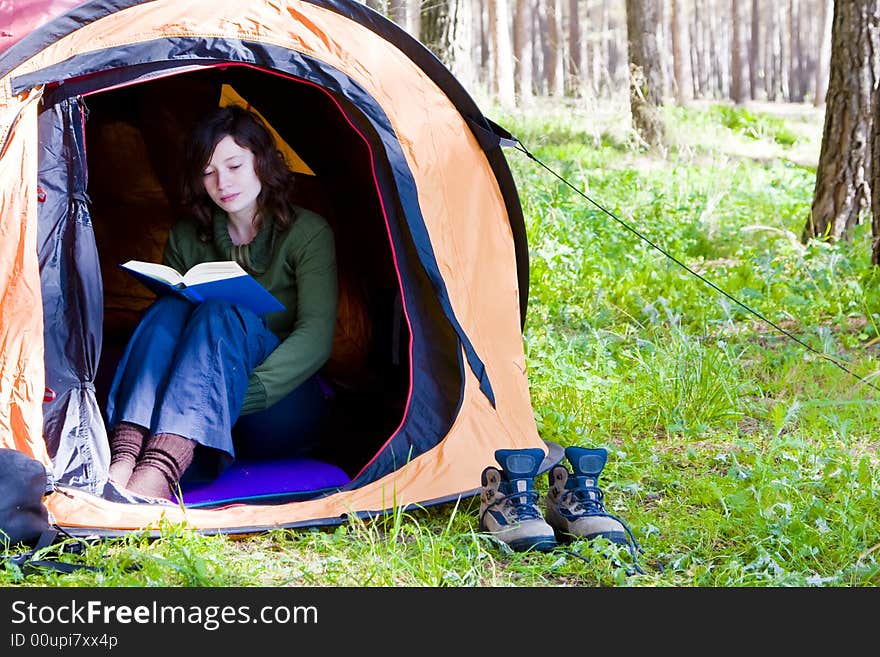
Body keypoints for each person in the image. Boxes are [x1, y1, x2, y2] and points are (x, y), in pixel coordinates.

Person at [105, 105, 338, 500]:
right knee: (170, 308)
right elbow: (167, 339)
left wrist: (221, 396)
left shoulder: (307, 232)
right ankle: (126, 455)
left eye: (234, 166)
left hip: (276, 405)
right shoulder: (185, 236)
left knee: (218, 311)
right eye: (208, 172)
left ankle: (156, 475)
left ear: (261, 162)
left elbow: (315, 337)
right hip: (190, 421)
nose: (222, 182)